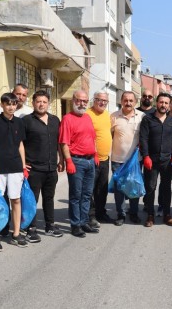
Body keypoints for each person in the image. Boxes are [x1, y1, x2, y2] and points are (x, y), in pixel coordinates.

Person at [0, 93, 29, 250]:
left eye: (14, 104)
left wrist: (24, 166)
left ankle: (16, 234)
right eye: (8, 104)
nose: (11, 107)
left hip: (15, 168)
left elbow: (21, 145)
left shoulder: (19, 122)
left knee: (16, 200)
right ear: (2, 105)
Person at [22, 90, 64, 240]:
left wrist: (61, 160)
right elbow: (20, 144)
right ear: (33, 103)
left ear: (48, 103)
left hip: (51, 167)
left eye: (44, 102)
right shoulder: (26, 120)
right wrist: (22, 164)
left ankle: (50, 226)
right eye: (38, 101)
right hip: (33, 169)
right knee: (31, 199)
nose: (41, 104)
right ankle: (31, 229)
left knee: (49, 197)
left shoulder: (55, 120)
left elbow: (59, 142)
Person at [59, 90, 99, 238]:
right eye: (79, 100)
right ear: (73, 101)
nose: (81, 103)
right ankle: (75, 225)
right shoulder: (67, 119)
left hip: (90, 161)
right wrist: (68, 161)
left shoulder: (88, 117)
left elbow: (92, 138)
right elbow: (64, 143)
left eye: (84, 101)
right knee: (76, 195)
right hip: (77, 161)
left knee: (87, 194)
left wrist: (94, 153)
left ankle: (84, 222)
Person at [140, 93, 172, 227]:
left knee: (166, 188)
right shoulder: (147, 119)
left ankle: (167, 214)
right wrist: (146, 156)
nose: (164, 105)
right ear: (156, 103)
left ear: (169, 105)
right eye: (161, 102)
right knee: (150, 187)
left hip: (167, 160)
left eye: (166, 103)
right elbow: (143, 139)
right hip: (152, 160)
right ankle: (150, 215)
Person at [111, 91, 146, 226]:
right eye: (125, 100)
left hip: (135, 161)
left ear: (135, 102)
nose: (128, 103)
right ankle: (121, 214)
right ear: (121, 101)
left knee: (133, 186)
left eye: (131, 100)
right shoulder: (113, 117)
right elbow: (109, 136)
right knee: (119, 189)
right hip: (117, 160)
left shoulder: (141, 116)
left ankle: (134, 213)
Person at [86, 90, 113, 225]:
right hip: (92, 159)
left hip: (104, 159)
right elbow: (86, 137)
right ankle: (90, 216)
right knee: (90, 189)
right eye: (99, 100)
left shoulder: (107, 115)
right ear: (94, 100)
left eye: (105, 101)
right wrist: (94, 153)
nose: (102, 103)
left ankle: (101, 212)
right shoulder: (87, 115)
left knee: (102, 188)